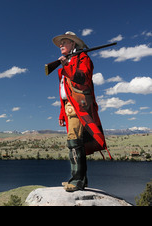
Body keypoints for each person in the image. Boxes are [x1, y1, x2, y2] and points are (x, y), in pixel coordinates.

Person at [52, 31, 110, 192]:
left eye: (64, 42)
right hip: (69, 106)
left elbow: (83, 78)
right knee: (74, 143)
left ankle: (78, 180)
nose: (61, 45)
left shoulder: (83, 59)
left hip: (80, 106)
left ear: (73, 44)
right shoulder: (64, 65)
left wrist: (66, 66)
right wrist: (62, 113)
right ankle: (77, 179)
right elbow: (63, 91)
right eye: (60, 43)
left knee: (75, 141)